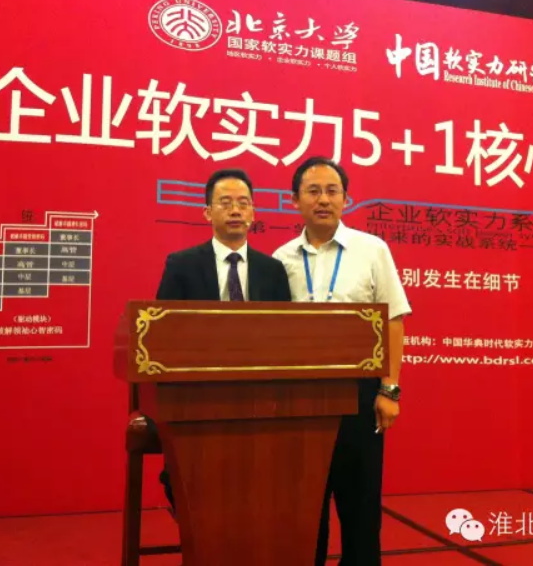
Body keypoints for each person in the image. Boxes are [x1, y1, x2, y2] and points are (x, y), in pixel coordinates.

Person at [273, 156, 411, 566]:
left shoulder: (372, 250)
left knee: (361, 504)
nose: (323, 200)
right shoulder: (280, 259)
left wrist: (389, 389)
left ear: (346, 199)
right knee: (304, 504)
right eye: (313, 191)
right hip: (300, 399)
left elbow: (394, 320)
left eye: (332, 191)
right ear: (294, 199)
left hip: (359, 394)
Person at [155, 167, 292, 509]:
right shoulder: (182, 265)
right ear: (207, 212)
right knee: (197, 483)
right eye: (225, 202)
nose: (235, 210)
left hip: (258, 393)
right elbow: (163, 331)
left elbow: (285, 333)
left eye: (243, 203)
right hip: (200, 391)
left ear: (253, 213)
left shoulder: (272, 270)